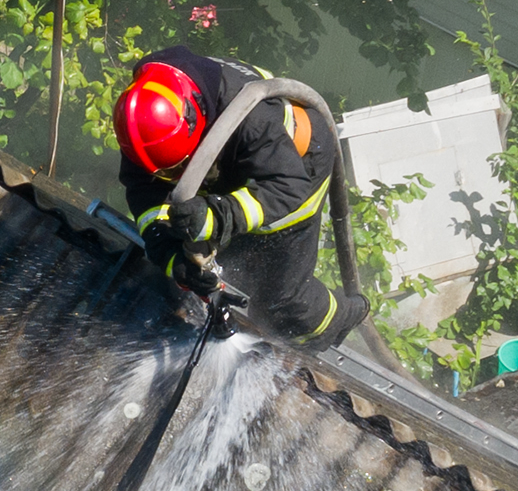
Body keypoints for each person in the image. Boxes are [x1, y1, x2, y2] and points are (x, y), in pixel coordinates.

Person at [115, 46, 372, 348]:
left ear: (196, 120)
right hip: (234, 167)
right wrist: (172, 257)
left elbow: (287, 186)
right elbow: (144, 192)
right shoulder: (145, 116)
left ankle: (336, 323)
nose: (175, 179)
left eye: (179, 168)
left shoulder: (252, 119)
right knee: (230, 269)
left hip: (295, 169)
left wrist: (217, 216)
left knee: (281, 298)